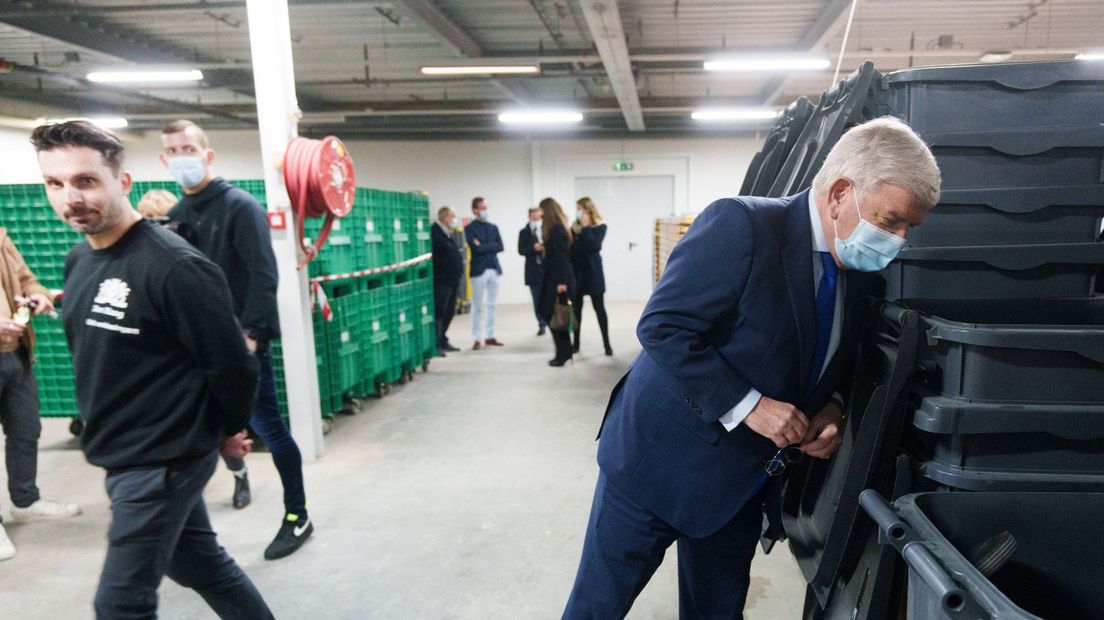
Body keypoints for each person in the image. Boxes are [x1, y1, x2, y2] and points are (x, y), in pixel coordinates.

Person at [562, 116, 942, 618]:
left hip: (740, 485)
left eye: (908, 228)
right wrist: (750, 406)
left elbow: (837, 359)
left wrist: (835, 407)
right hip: (655, 465)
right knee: (597, 608)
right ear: (840, 194)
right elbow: (663, 326)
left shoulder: (858, 271)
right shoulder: (742, 226)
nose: (898, 241)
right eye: (890, 220)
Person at [32, 120, 273, 618]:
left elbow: (232, 364)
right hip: (121, 451)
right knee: (201, 565)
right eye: (55, 184)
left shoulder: (176, 267)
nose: (70, 197)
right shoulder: (79, 261)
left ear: (122, 183)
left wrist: (226, 430)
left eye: (85, 180)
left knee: (121, 604)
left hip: (162, 459)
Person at [161, 119, 312, 559]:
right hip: (194, 351)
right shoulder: (175, 217)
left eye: (189, 148)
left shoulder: (239, 207)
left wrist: (251, 339)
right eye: (173, 150)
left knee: (268, 429)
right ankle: (191, 536)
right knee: (196, 436)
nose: (181, 157)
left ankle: (297, 515)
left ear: (207, 155)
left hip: (239, 349)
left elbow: (265, 276)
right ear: (163, 159)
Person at [0, 232, 81, 562]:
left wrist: (38, 296)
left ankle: (25, 501)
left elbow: (26, 279)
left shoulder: (1, 237)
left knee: (26, 430)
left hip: (14, 352)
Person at [570, 197, 611, 356]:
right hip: (578, 274)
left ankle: (607, 344)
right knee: (576, 310)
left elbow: (595, 246)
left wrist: (585, 228)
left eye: (580, 208)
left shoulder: (600, 227)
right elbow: (572, 249)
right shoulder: (574, 228)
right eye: (577, 208)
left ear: (588, 210)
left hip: (594, 273)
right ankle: (576, 344)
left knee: (599, 309)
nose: (578, 212)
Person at [537, 198, 576, 367]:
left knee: (556, 315)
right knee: (553, 314)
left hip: (560, 280)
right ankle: (562, 353)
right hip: (554, 278)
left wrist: (561, 282)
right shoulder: (555, 229)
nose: (540, 214)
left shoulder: (557, 230)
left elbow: (561, 257)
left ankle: (564, 353)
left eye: (542, 211)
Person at [465, 196, 505, 350]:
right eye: (482, 208)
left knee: (492, 305)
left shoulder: (493, 227)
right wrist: (489, 246)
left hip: (493, 269)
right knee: (477, 306)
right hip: (478, 271)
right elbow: (475, 248)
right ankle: (476, 337)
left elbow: (500, 246)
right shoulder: (470, 228)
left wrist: (483, 246)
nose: (485, 211)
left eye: (486, 207)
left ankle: (489, 335)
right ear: (475, 210)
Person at [431, 206, 464, 355]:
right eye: (452, 216)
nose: (454, 219)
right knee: (440, 312)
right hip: (442, 280)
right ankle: (437, 344)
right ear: (444, 218)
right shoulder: (435, 232)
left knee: (450, 312)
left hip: (453, 279)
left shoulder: (448, 233)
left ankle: (443, 340)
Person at [518, 207, 547, 336]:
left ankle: (551, 322)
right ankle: (541, 324)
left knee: (549, 299)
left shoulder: (547, 230)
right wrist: (533, 248)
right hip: (533, 270)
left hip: (547, 269)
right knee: (537, 299)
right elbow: (521, 250)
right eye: (533, 214)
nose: (536, 216)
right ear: (529, 216)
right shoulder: (524, 232)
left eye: (538, 214)